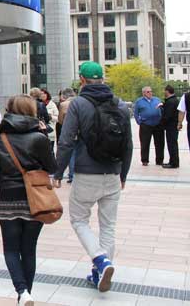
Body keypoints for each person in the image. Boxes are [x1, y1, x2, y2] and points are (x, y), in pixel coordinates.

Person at [54, 61, 133, 293]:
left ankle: (100, 260)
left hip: (87, 172)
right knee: (108, 225)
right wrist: (124, 173)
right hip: (113, 172)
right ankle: (100, 272)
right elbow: (128, 143)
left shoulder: (78, 103)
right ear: (103, 78)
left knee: (79, 220)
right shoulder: (119, 104)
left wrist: (58, 172)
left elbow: (66, 140)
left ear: (82, 80)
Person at [0, 94, 57, 306]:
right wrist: (44, 135)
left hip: (7, 199)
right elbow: (52, 168)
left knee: (11, 249)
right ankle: (26, 294)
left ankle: (22, 292)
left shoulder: (0, 138)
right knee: (29, 250)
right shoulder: (39, 138)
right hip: (36, 199)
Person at [133, 86, 164, 166]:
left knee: (159, 143)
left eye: (151, 91)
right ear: (143, 93)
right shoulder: (139, 101)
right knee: (145, 143)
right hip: (146, 125)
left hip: (157, 124)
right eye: (148, 92)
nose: (150, 93)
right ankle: (145, 160)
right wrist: (139, 122)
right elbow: (136, 113)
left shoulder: (157, 100)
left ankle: (159, 160)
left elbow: (162, 109)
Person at [57, 88, 77, 182]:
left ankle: (71, 175)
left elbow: (60, 120)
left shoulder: (63, 105)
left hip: (68, 132)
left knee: (71, 154)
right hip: (80, 132)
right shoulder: (80, 102)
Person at [161, 85, 180, 168]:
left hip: (171, 126)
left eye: (164, 91)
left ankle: (173, 163)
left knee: (171, 145)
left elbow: (167, 115)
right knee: (173, 144)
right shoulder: (175, 100)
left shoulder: (170, 102)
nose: (163, 92)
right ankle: (173, 161)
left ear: (167, 91)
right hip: (174, 126)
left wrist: (161, 123)